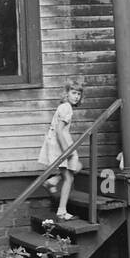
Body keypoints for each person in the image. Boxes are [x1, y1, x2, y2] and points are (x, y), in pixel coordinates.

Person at [38, 78, 83, 221]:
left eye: (78, 94)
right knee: (69, 177)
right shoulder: (67, 108)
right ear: (66, 94)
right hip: (60, 143)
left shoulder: (64, 107)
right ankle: (62, 211)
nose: (76, 96)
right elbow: (59, 130)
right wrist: (67, 151)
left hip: (60, 141)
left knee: (77, 167)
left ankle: (53, 181)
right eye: (73, 93)